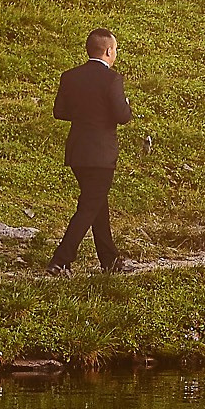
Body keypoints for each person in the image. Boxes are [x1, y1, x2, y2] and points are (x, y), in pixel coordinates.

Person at [49, 28, 133, 276]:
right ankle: (61, 258)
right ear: (108, 51)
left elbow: (60, 112)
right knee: (88, 207)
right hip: (101, 155)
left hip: (77, 152)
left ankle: (110, 260)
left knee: (97, 205)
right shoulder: (112, 79)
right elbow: (122, 116)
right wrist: (125, 104)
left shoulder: (70, 76)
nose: (115, 54)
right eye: (115, 50)